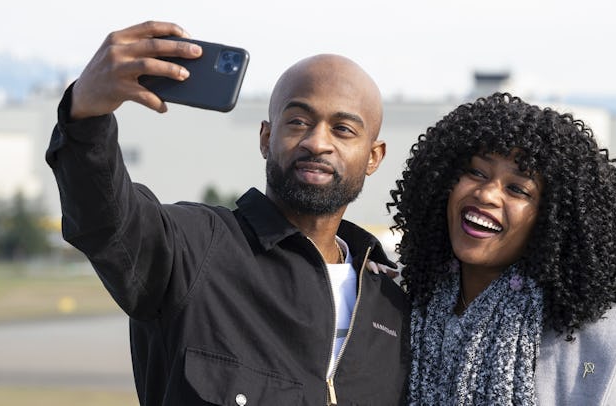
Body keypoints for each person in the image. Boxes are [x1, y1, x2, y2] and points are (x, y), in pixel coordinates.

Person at [45, 21, 409, 405]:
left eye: (343, 129)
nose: (318, 142)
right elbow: (107, 221)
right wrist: (85, 113)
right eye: (298, 121)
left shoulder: (394, 305)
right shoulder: (196, 251)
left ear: (373, 157)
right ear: (267, 138)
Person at [388, 93, 616, 406]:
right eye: (476, 172)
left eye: (517, 189)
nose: (487, 194)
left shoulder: (605, 341)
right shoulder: (394, 310)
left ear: (553, 220)